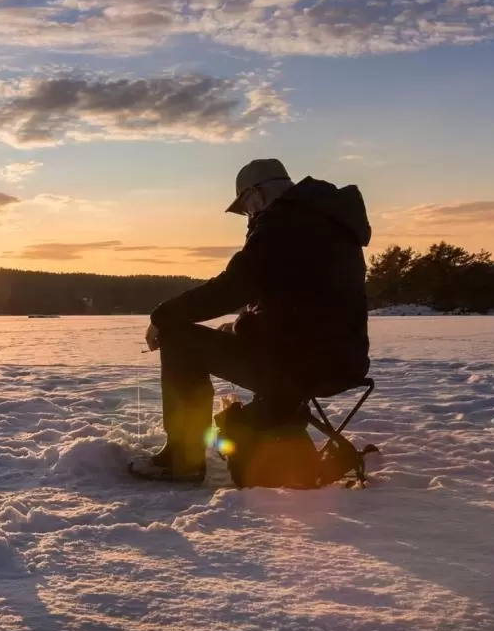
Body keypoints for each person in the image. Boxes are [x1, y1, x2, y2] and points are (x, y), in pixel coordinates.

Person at [138, 158, 372, 482]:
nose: (247, 216)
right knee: (220, 338)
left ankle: (182, 460)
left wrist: (163, 316)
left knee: (179, 340)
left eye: (245, 208)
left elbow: (233, 288)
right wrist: (242, 327)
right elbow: (302, 305)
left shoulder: (284, 223)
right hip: (341, 361)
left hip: (296, 367)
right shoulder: (327, 222)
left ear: (256, 195)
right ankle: (270, 434)